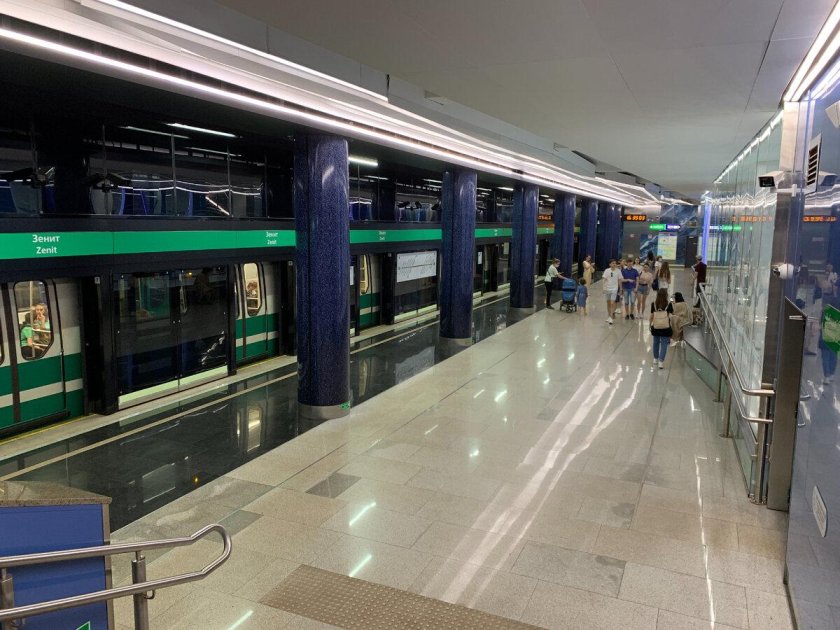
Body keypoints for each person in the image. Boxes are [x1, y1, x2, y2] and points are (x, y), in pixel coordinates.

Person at [649, 288, 674, 369]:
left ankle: (655, 359)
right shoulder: (669, 304)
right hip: (665, 327)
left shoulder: (654, 304)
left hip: (656, 327)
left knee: (655, 342)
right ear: (666, 295)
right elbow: (671, 315)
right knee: (664, 344)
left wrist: (650, 324)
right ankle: (661, 362)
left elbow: (652, 315)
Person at [602, 259, 621, 325]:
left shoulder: (618, 271)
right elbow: (604, 279)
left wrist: (620, 289)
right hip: (607, 289)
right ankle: (609, 316)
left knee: (612, 303)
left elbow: (620, 280)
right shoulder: (607, 270)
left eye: (615, 263)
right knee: (608, 303)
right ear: (610, 264)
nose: (614, 264)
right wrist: (603, 288)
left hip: (614, 289)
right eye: (613, 263)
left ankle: (611, 317)